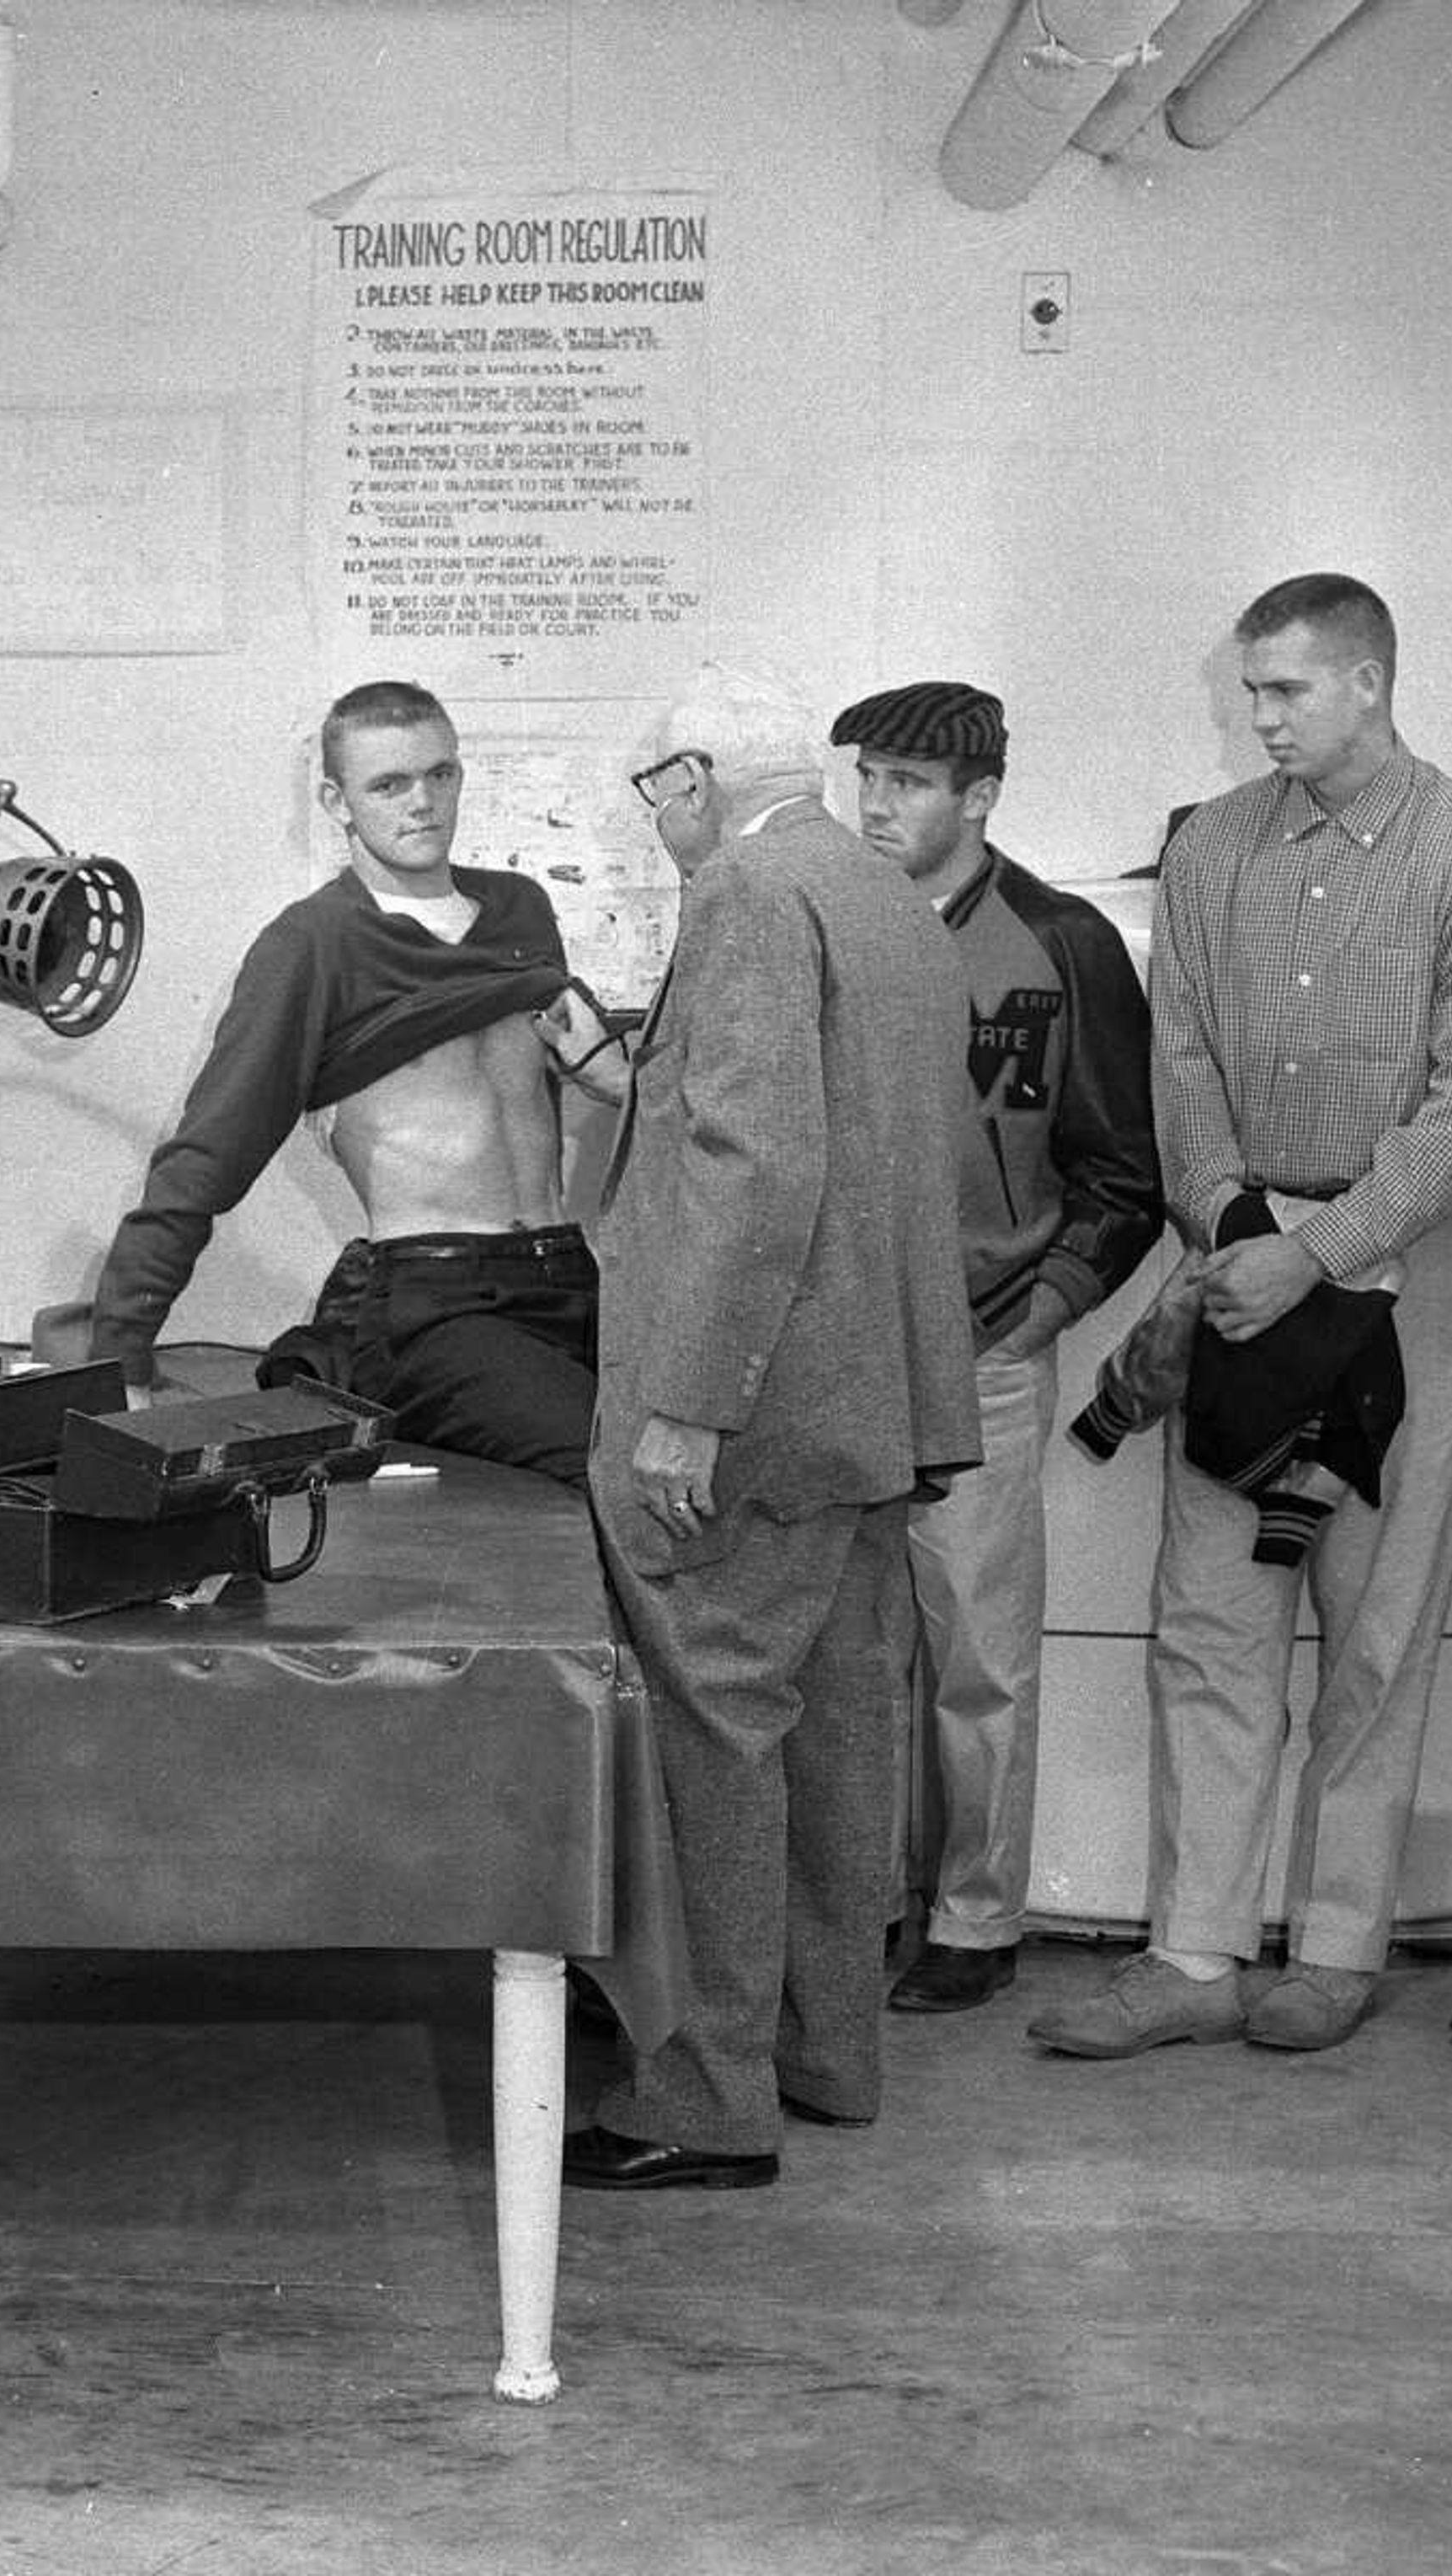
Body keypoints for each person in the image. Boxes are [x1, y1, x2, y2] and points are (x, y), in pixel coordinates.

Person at [1028, 574, 1452, 2062]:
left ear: (1371, 682)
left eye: (1286, 691)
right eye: (1249, 690)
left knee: (1376, 1625)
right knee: (1213, 1615)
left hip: (1411, 1280)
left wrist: (1321, 1250)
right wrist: (1235, 1227)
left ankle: (1333, 1946)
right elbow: (1178, 1057)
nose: (1259, 718)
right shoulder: (1214, 854)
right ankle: (1192, 1954)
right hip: (1242, 1261)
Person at [563, 665, 979, 2192]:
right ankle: (826, 2051)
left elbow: (757, 1163)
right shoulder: (887, 898)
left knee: (718, 1731)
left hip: (753, 1409)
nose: (653, 822)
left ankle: (707, 2093)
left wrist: (686, 1405)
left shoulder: (745, 890)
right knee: (838, 1739)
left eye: (648, 793)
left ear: (686, 781)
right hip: (872, 1406)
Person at [833, 681, 1162, 2018]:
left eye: (908, 781)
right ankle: (860, 1905)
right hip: (843, 1355)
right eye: (867, 776)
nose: (876, 804)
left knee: (979, 1649)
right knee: (851, 1651)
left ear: (979, 797)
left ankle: (975, 1918)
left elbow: (1126, 1168)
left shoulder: (1062, 940)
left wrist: (1048, 1307)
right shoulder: (830, 919)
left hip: (980, 1346)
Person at [85, 679, 622, 1482]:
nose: (423, 803)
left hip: (571, 1278)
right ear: (337, 801)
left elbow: (569, 1090)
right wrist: (120, 1361)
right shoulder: (311, 944)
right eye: (389, 784)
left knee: (708, 1448)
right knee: (612, 1463)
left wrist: (613, 1077)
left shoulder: (522, 911)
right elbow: (203, 1162)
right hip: (438, 1308)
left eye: (440, 775)